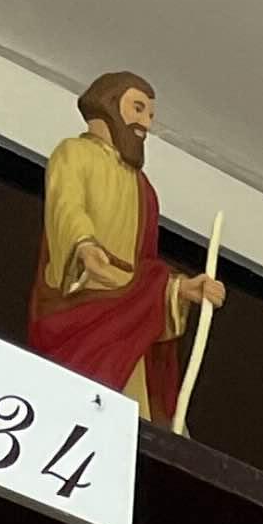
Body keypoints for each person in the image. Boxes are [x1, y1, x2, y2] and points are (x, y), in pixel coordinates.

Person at [27, 68, 225, 418]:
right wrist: (84, 247)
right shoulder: (75, 153)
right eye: (138, 109)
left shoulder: (144, 189)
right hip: (83, 304)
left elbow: (144, 268)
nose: (146, 123)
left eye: (150, 115)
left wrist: (181, 289)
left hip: (128, 318)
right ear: (108, 103)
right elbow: (66, 205)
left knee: (126, 415)